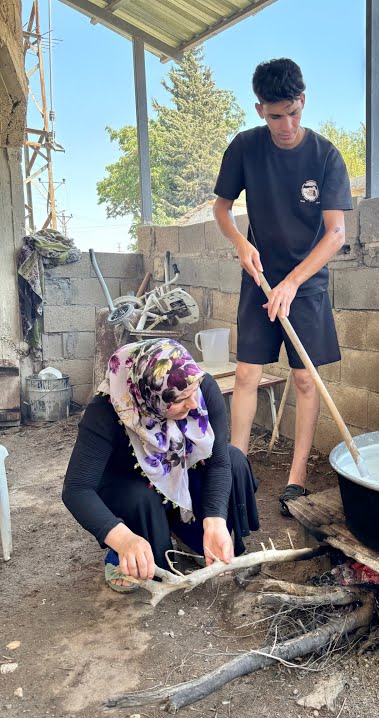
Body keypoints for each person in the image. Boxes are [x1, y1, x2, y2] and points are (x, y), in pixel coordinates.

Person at [212, 58, 352, 515]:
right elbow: (222, 208)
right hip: (259, 278)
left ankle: (295, 481)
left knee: (304, 379)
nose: (287, 124)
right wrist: (239, 243)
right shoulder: (245, 148)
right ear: (259, 110)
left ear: (303, 102)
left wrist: (293, 281)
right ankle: (236, 470)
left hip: (305, 284)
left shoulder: (326, 156)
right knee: (248, 374)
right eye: (276, 115)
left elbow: (336, 234)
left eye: (293, 112)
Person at [61, 339, 260, 592]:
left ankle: (192, 532)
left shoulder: (201, 387)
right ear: (150, 395)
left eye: (193, 393)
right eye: (180, 399)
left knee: (234, 459)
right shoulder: (107, 410)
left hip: (182, 474)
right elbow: (77, 489)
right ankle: (129, 550)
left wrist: (214, 520)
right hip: (131, 486)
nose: (194, 405)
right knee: (138, 496)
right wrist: (123, 539)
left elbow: (219, 463)